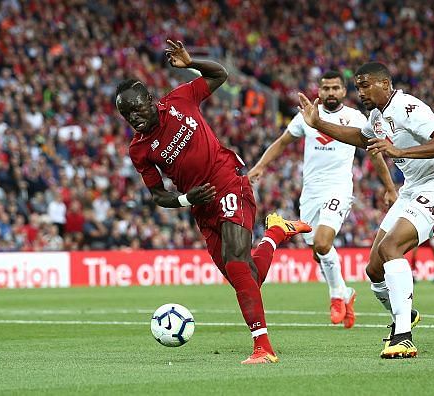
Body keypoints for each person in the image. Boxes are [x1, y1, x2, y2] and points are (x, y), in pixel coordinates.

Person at [116, 39, 311, 364]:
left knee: (236, 263)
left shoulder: (179, 99)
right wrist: (185, 199)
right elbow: (158, 196)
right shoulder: (138, 150)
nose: (134, 118)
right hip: (200, 204)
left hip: (227, 180)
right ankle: (275, 234)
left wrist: (192, 62)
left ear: (150, 99)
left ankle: (263, 348)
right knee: (247, 275)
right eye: (126, 115)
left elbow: (219, 75)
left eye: (137, 108)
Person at [298, 62, 434, 359]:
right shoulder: (376, 116)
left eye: (365, 85)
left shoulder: (407, 107)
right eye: (358, 86)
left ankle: (403, 336)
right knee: (374, 269)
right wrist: (319, 124)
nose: (360, 92)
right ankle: (405, 312)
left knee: (390, 248)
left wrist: (400, 152)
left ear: (385, 84)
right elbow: (362, 139)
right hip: (413, 188)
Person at [248, 70, 397, 328]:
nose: (330, 93)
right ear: (319, 90)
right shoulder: (306, 117)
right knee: (318, 253)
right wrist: (260, 166)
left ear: (343, 91)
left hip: (338, 188)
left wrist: (389, 187)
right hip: (310, 193)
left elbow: (374, 152)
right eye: (326, 88)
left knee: (322, 241)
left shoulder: (354, 117)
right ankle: (345, 292)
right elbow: (282, 142)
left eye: (335, 88)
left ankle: (336, 296)